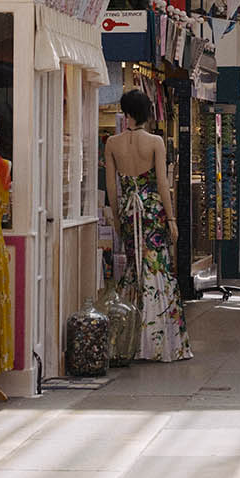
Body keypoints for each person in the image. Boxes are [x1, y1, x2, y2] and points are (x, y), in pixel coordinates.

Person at [102, 88, 193, 361]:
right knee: (157, 269)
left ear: (125, 112)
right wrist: (172, 218)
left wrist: (117, 217)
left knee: (134, 266)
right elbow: (163, 185)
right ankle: (158, 340)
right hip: (152, 209)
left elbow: (111, 186)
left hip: (129, 209)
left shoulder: (111, 143)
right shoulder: (155, 141)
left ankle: (128, 339)